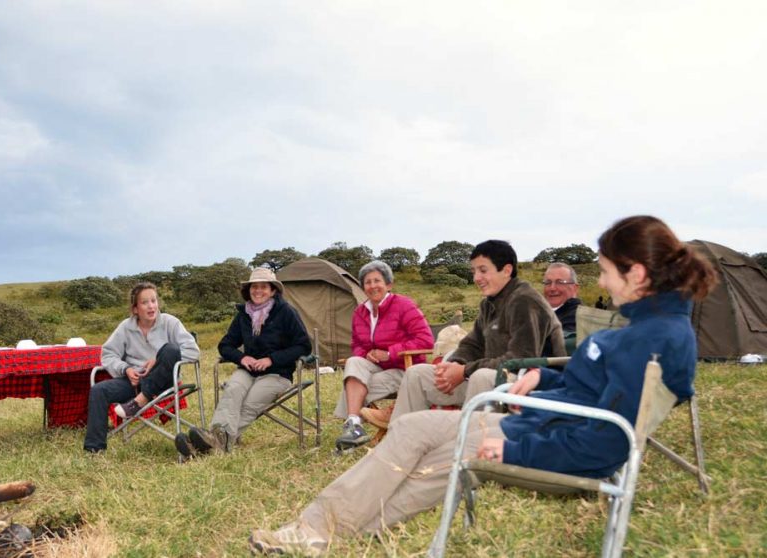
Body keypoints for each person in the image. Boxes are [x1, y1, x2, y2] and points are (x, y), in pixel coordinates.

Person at [248, 215, 717, 555]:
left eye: (607, 270)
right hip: (541, 425)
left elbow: (605, 439)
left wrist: (515, 451)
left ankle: (317, 531)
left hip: (544, 445)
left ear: (636, 274)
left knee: (436, 452)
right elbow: (590, 390)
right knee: (414, 434)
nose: (601, 279)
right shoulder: (649, 328)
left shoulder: (650, 341)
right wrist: (544, 377)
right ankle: (337, 529)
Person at [363, 240, 565, 430]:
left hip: (531, 384)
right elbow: (472, 344)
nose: (476, 278)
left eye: (483, 270)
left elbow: (521, 359)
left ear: (507, 270)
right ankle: (401, 443)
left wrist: (465, 371)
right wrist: (454, 365)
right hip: (494, 376)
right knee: (417, 375)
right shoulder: (489, 303)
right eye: (474, 271)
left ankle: (466, 447)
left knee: (481, 376)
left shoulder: (525, 301)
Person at [177, 268, 312, 457]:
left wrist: (271, 359)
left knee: (249, 402)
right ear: (248, 290)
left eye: (263, 287)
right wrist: (242, 358)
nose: (258, 290)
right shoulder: (244, 314)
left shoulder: (286, 312)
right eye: (254, 287)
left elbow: (303, 346)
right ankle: (213, 443)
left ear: (273, 290)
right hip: (248, 371)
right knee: (232, 390)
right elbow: (225, 345)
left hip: (278, 373)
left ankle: (210, 444)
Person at [83, 282, 200, 453]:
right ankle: (94, 449)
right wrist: (125, 369)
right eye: (145, 302)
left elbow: (193, 351)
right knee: (99, 390)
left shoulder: (170, 322)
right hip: (134, 381)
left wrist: (157, 358)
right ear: (135, 309)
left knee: (170, 349)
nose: (151, 306)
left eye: (153, 300)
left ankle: (141, 399)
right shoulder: (125, 327)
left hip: (164, 381)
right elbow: (108, 354)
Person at [332, 260, 434, 451]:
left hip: (405, 369)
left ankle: (352, 428)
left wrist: (390, 353)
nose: (372, 286)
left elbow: (426, 341)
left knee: (353, 387)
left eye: (377, 281)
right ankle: (354, 424)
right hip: (376, 367)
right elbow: (357, 345)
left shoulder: (404, 306)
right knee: (354, 362)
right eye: (367, 282)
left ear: (388, 284)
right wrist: (367, 354)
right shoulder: (360, 312)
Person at [543, 262, 582, 335]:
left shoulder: (576, 318)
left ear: (575, 288)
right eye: (548, 282)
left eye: (560, 282)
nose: (552, 288)